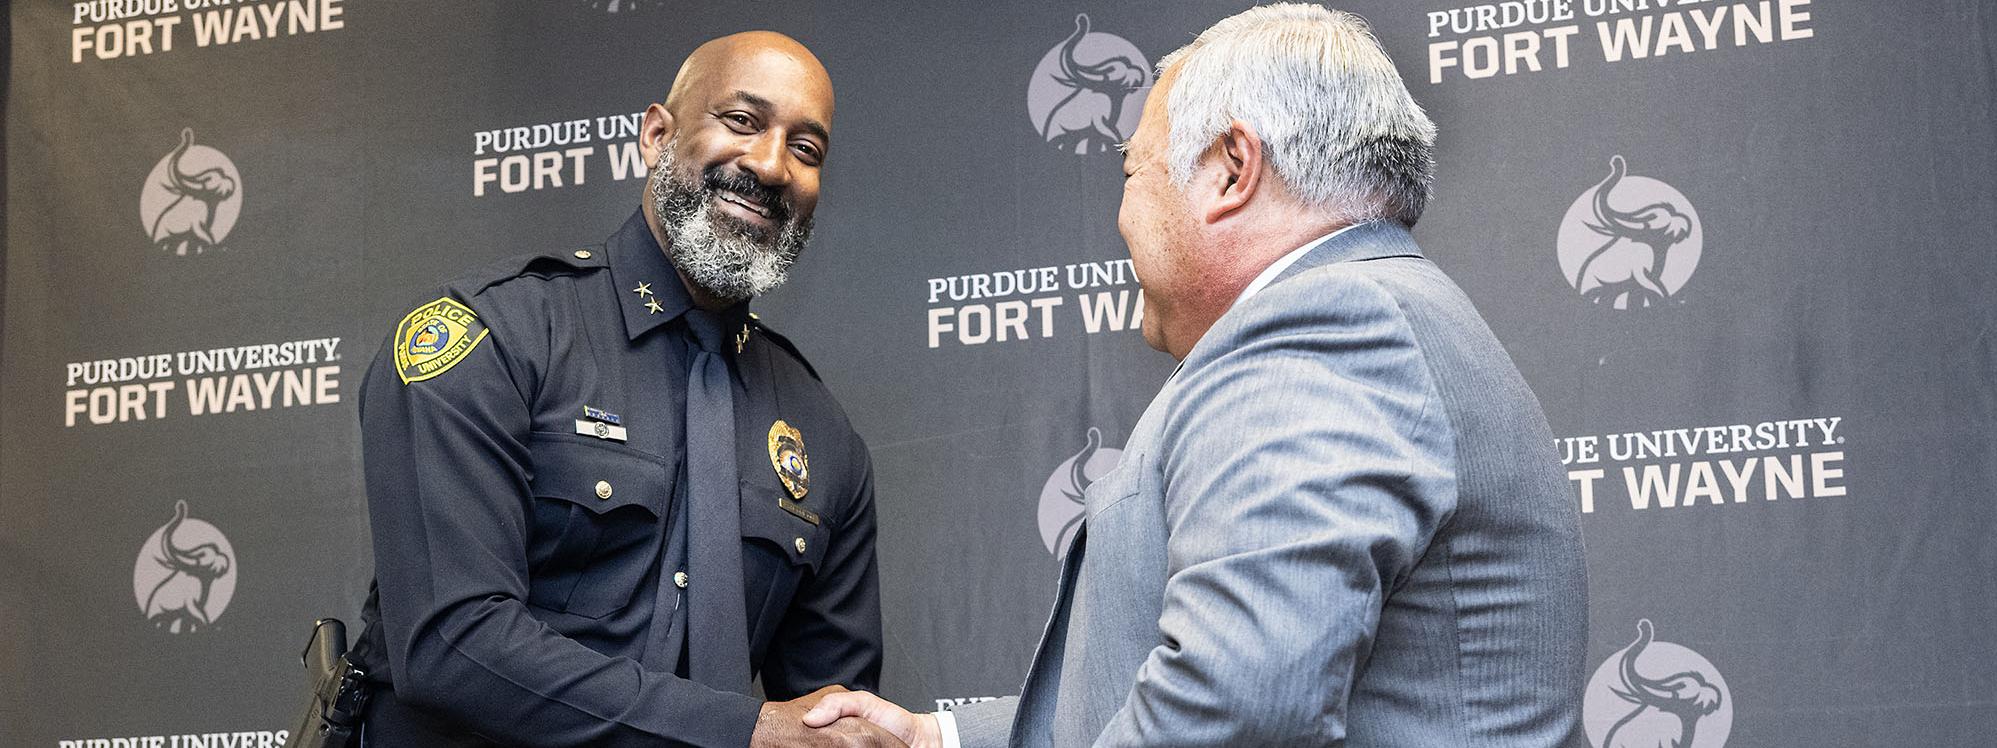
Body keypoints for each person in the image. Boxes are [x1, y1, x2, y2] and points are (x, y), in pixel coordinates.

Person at [805, 5, 1587, 746]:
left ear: (1230, 169)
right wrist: (933, 736)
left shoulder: (1323, 330)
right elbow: (1182, 687)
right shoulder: (1365, 313)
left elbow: (1237, 707)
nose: (1120, 218)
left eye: (1132, 175)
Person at [350, 31, 902, 747]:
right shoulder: (490, 336)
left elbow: (830, 724)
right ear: (657, 135)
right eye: (741, 121)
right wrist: (744, 732)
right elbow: (451, 645)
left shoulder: (822, 435)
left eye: (805, 149)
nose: (769, 165)